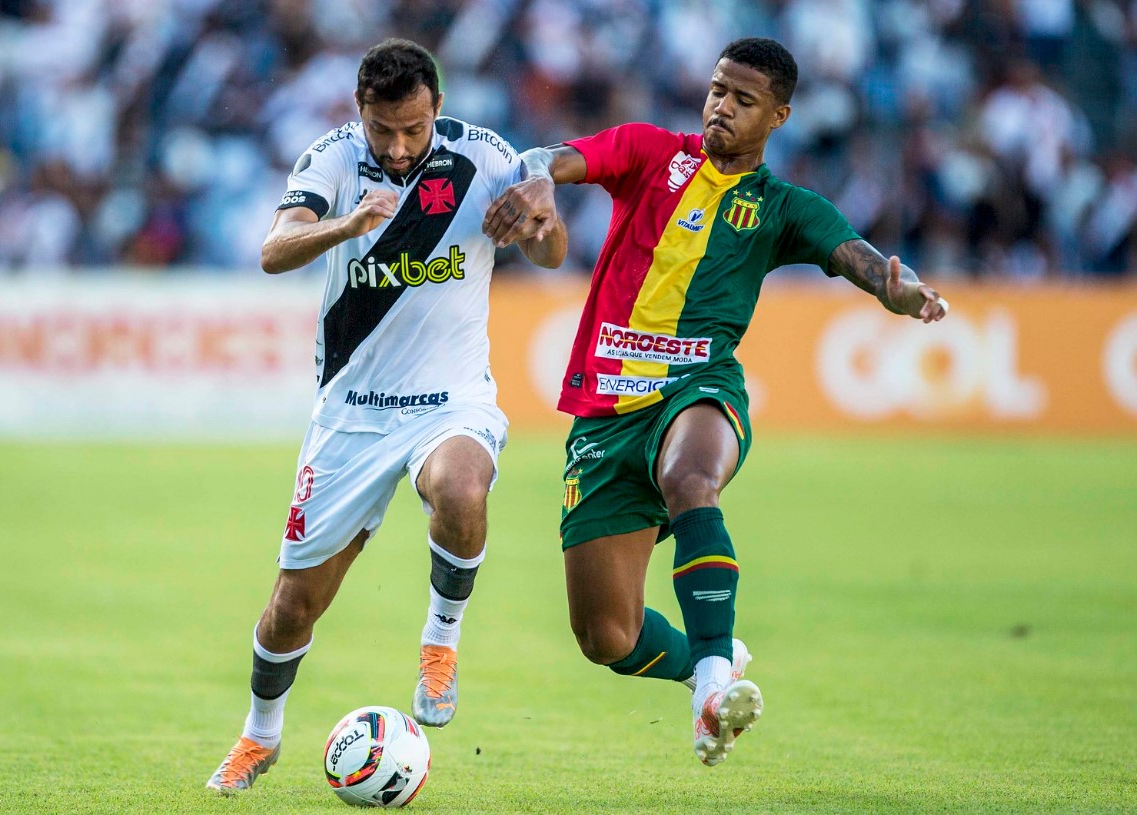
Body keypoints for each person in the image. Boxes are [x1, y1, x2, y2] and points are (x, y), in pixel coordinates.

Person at [482, 37, 948, 767]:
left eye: (742, 99)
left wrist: (894, 288)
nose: (720, 107)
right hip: (605, 411)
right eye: (716, 90)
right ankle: (717, 650)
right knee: (607, 636)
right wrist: (538, 178)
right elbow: (558, 156)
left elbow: (853, 253)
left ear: (778, 117)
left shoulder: (782, 207)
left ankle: (709, 689)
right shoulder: (647, 153)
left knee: (690, 478)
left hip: (698, 389)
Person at [206, 38, 566, 794]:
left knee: (463, 489)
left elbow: (550, 253)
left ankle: (440, 644)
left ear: (436, 105)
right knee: (289, 610)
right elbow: (274, 250)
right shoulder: (334, 159)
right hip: (353, 412)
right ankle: (258, 735)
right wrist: (344, 226)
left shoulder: (483, 156)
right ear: (359, 113)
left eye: (412, 128)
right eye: (382, 130)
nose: (398, 148)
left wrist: (541, 210)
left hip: (450, 400)